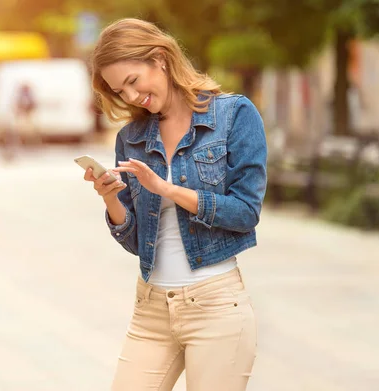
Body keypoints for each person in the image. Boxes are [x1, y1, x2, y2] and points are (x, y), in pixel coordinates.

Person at [85, 18, 267, 391]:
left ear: (160, 59)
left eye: (133, 82)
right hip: (151, 308)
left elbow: (246, 212)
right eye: (121, 91)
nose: (132, 97)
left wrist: (168, 189)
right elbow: (137, 241)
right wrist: (111, 200)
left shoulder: (233, 116)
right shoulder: (132, 138)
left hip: (216, 307)